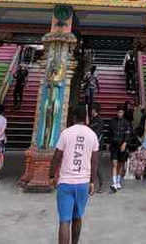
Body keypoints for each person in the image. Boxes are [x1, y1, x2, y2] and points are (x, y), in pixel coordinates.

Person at [50, 104, 99, 244]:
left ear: (74, 117)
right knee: (77, 217)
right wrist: (92, 182)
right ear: (87, 118)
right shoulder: (92, 135)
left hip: (65, 182)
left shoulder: (66, 133)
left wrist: (52, 176)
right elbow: (95, 162)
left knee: (64, 220)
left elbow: (56, 157)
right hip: (83, 183)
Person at [108, 103, 131, 192]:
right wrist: (108, 143)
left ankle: (118, 181)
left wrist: (125, 143)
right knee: (114, 163)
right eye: (118, 112)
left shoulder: (126, 123)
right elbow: (109, 134)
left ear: (123, 112)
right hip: (114, 145)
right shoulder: (112, 121)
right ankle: (113, 183)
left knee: (121, 165)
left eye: (121, 112)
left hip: (122, 146)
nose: (119, 114)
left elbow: (128, 134)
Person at [90, 104, 107, 193]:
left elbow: (97, 133)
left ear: (95, 110)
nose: (91, 111)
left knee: (97, 165)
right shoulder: (92, 120)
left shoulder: (99, 120)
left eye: (92, 109)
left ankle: (101, 185)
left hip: (98, 146)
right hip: (92, 146)